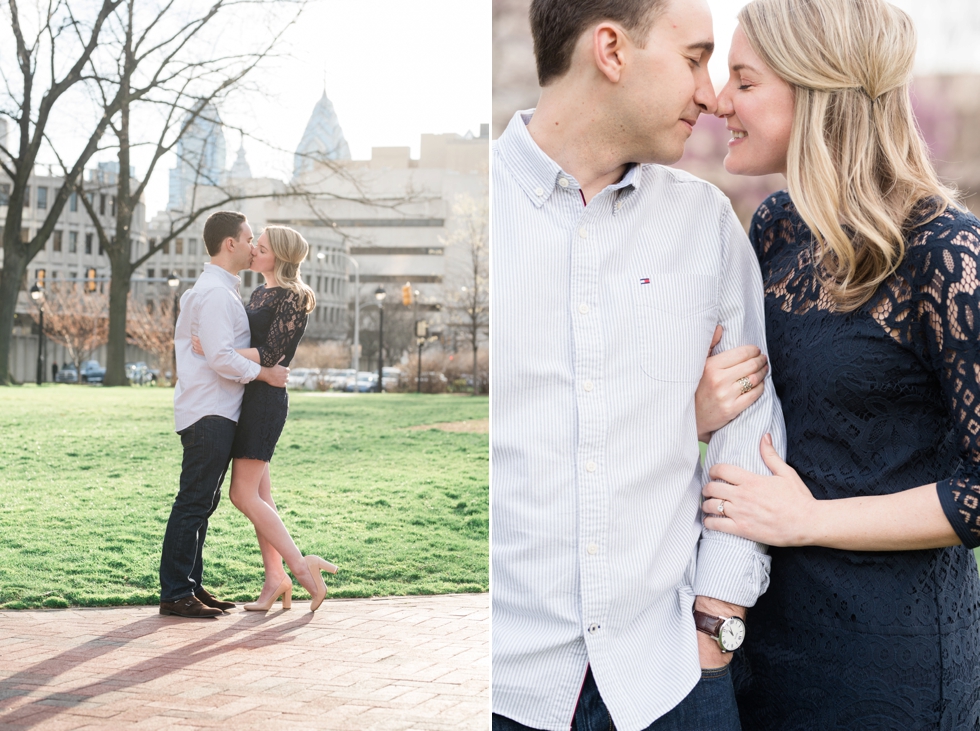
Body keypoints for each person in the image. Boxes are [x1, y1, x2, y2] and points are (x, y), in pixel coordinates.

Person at [491, 0, 787, 728]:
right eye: (693, 57)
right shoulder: (482, 214)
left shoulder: (706, 222)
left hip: (672, 680)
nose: (711, 95)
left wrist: (715, 625)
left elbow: (751, 432)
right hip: (501, 689)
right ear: (611, 51)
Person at [693, 0, 980, 727]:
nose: (720, 101)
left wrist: (810, 519)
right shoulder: (776, 227)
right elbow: (763, 409)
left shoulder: (948, 256)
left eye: (745, 81)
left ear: (817, 91)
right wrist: (697, 412)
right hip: (765, 637)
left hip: (890, 662)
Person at [193, 225, 338, 612]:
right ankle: (275, 579)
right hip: (247, 393)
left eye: (261, 247)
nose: (253, 251)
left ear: (280, 256)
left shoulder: (294, 296)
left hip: (265, 401)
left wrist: (217, 348)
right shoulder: (258, 292)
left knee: (241, 495)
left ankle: (302, 568)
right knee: (261, 495)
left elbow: (272, 352)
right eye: (254, 245)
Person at [159, 211, 289, 619]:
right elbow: (218, 357)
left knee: (204, 502)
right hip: (209, 410)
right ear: (230, 243)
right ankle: (176, 592)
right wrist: (264, 371)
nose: (254, 246)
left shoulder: (221, 290)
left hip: (216, 409)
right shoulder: (215, 293)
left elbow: (217, 350)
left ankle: (190, 586)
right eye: (250, 238)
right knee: (194, 502)